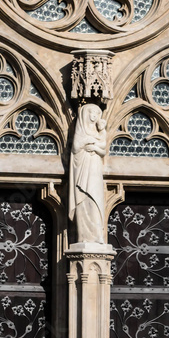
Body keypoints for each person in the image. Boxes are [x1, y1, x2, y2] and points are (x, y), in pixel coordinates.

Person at [68, 103, 107, 244]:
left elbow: (103, 149)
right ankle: (84, 237)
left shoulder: (100, 133)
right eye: (91, 112)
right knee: (83, 202)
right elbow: (76, 146)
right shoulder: (80, 132)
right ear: (85, 114)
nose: (94, 116)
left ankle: (97, 236)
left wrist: (95, 147)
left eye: (97, 113)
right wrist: (88, 140)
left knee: (96, 202)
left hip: (95, 171)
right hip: (82, 171)